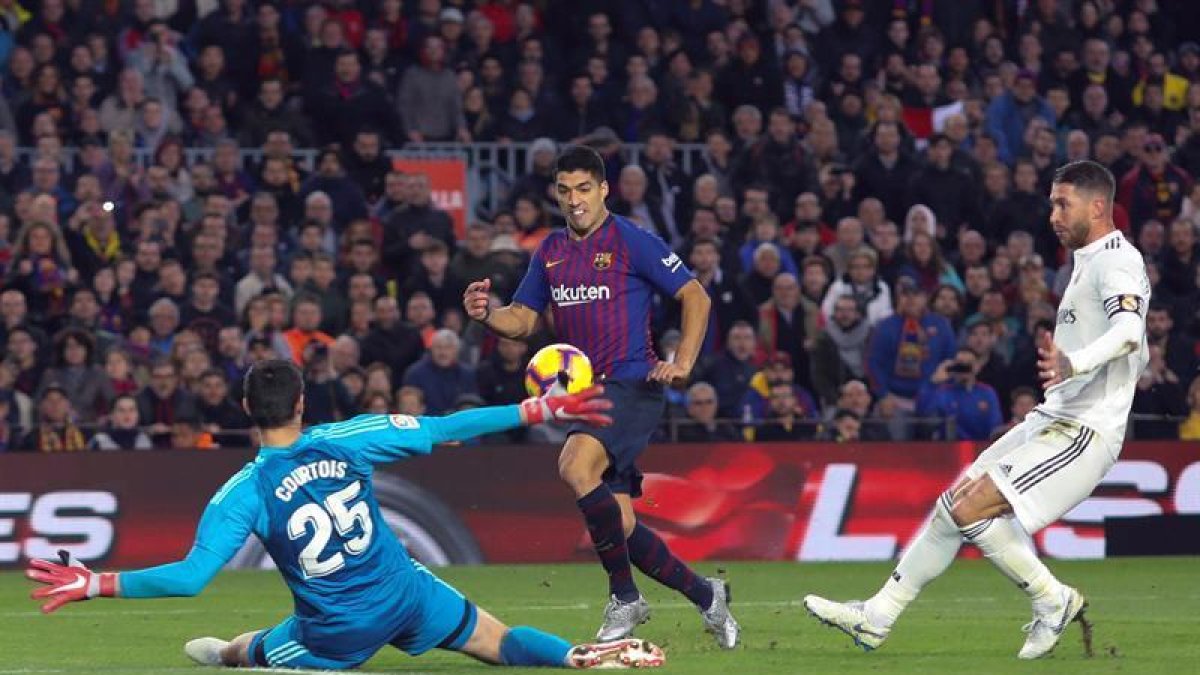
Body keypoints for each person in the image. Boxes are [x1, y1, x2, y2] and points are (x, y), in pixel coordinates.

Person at [24, 359, 665, 670]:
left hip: (338, 629)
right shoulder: (346, 438)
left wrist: (98, 582)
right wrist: (535, 412)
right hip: (406, 589)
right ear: (302, 401)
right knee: (497, 642)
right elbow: (446, 427)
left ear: (247, 406)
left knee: (251, 653)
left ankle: (225, 656)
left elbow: (190, 578)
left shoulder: (242, 491)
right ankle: (576, 658)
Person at [805, 160, 1149, 660]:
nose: (1052, 214)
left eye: (1062, 203)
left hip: (1086, 429)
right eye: (1052, 202)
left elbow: (1129, 333)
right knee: (952, 505)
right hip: (1054, 417)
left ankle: (1052, 599)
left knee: (971, 509)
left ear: (1098, 207)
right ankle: (876, 617)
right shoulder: (1086, 261)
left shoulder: (1118, 261)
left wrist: (1076, 361)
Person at [463, 145, 738, 648]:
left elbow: (694, 295)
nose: (575, 200)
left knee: (574, 466)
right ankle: (706, 595)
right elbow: (523, 320)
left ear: (604, 189)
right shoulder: (549, 251)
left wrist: (683, 363)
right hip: (586, 396)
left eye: (584, 189)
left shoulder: (632, 240)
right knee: (622, 522)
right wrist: (487, 313)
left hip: (632, 383)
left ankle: (626, 599)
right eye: (565, 191)